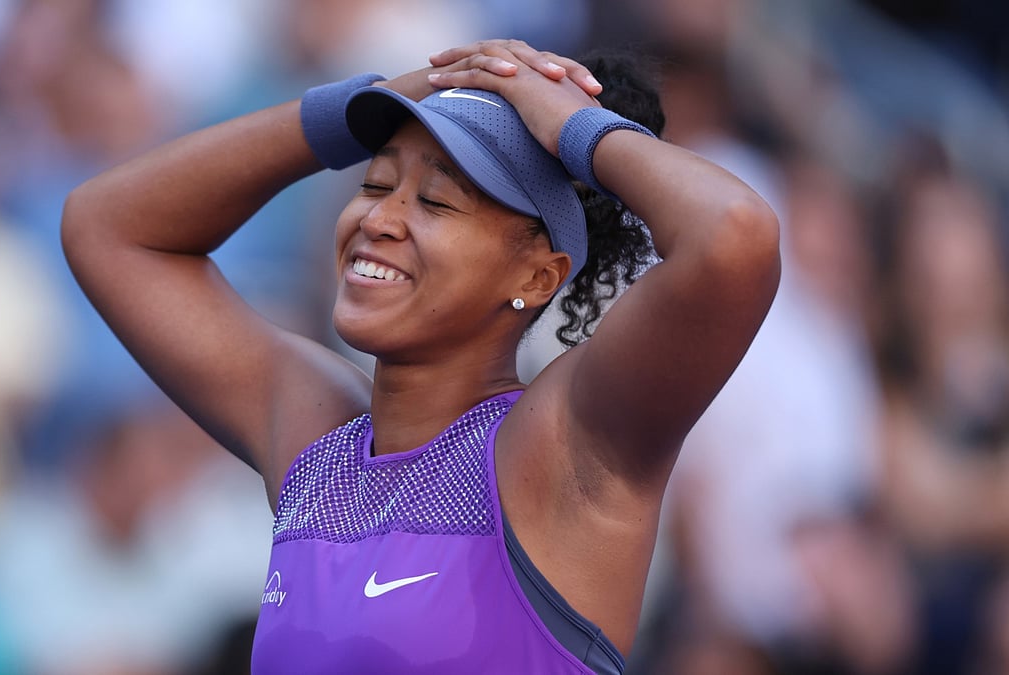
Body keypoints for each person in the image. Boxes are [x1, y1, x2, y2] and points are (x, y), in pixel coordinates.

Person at [62, 38, 780, 674]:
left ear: (537, 276)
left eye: (434, 202)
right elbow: (106, 226)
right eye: (374, 183)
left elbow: (735, 237)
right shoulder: (317, 442)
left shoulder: (560, 447)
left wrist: (568, 124)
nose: (378, 217)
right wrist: (370, 104)